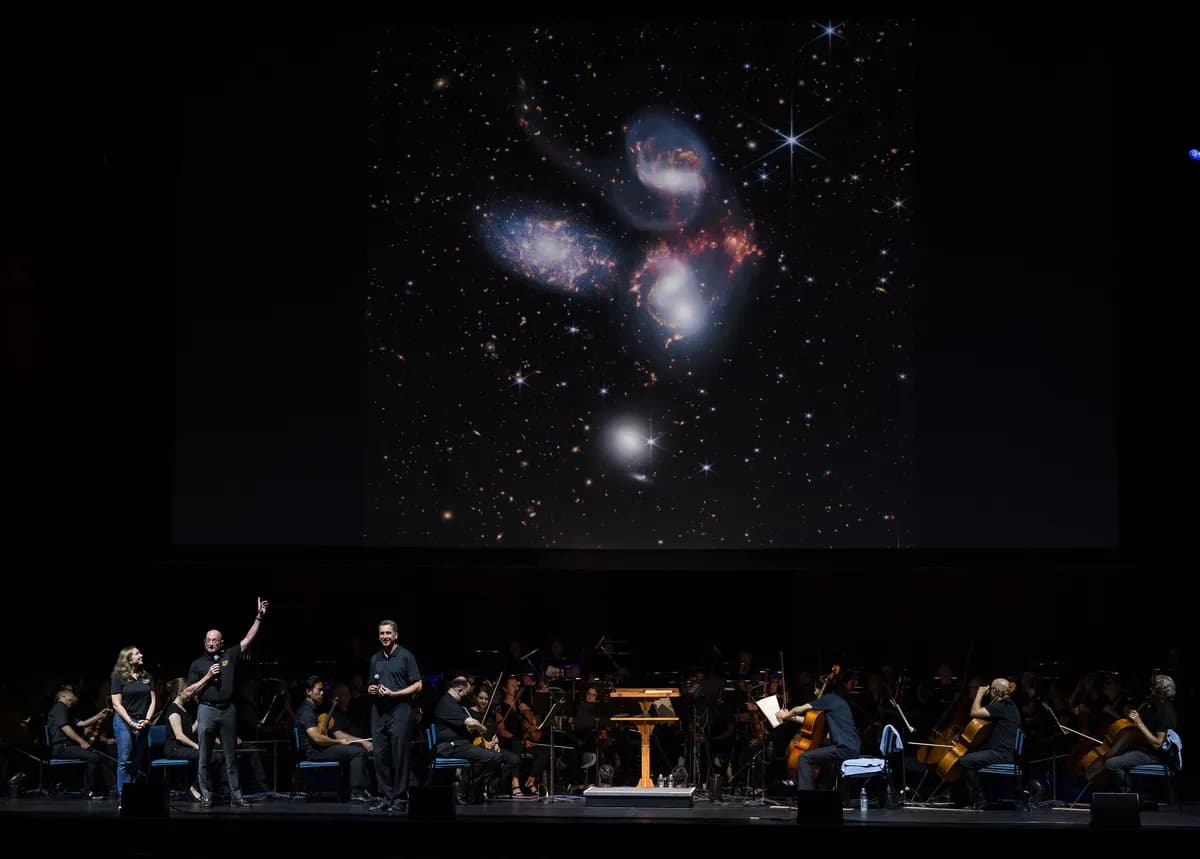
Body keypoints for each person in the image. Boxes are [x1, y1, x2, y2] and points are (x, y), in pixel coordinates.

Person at [184, 596, 269, 808]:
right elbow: (186, 692)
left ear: (221, 643)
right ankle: (206, 795)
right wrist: (207, 678)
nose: (212, 642)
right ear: (204, 642)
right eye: (208, 640)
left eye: (215, 640)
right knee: (204, 756)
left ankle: (236, 796)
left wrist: (259, 617)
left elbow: (248, 639)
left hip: (227, 711)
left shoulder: (229, 656)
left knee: (232, 757)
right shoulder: (197, 664)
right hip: (206, 710)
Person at [776, 670, 862, 796]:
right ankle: (823, 791)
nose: (815, 693)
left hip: (844, 748)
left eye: (815, 689)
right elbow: (812, 722)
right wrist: (790, 718)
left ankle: (807, 797)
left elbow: (800, 709)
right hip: (852, 747)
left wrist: (786, 714)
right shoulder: (837, 702)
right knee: (820, 751)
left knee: (804, 758)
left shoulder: (828, 699)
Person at [367, 619, 422, 813]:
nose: (385, 636)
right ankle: (385, 796)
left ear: (396, 635)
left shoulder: (406, 656)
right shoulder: (376, 659)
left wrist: (394, 693)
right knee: (380, 755)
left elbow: (418, 685)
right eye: (382, 633)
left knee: (399, 755)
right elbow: (369, 683)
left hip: (400, 709)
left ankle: (399, 799)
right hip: (379, 711)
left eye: (388, 633)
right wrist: (371, 689)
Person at [294, 676, 373, 802]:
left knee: (355, 749)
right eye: (319, 690)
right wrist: (339, 741)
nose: (322, 693)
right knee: (358, 752)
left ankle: (351, 789)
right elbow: (317, 738)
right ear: (308, 691)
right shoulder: (306, 711)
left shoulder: (312, 709)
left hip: (319, 749)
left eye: (323, 690)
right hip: (314, 752)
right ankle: (357, 792)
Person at [432, 676, 510, 804]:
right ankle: (462, 789)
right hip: (449, 746)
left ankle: (473, 789)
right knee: (487, 756)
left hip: (460, 744)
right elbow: (471, 722)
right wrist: (483, 728)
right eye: (465, 693)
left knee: (496, 757)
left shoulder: (453, 704)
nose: (465, 697)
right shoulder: (447, 703)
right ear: (459, 690)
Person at [1104, 673, 1179, 791]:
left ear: (1160, 690)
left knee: (1111, 764)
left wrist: (1139, 722)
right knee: (1114, 757)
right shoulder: (1155, 707)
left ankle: (1131, 792)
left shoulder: (1165, 712)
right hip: (1142, 748)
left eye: (1153, 687)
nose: (1150, 689)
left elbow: (1157, 744)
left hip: (1154, 755)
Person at [955, 677, 1021, 809]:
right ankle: (984, 797)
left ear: (995, 691)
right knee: (973, 756)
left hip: (1001, 754)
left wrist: (979, 694)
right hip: (1004, 752)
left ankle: (979, 800)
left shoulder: (1001, 706)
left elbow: (974, 712)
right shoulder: (1009, 705)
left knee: (964, 760)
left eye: (991, 689)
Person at [44, 687, 115, 798]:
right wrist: (82, 741)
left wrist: (99, 715)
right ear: (63, 696)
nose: (74, 695)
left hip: (67, 747)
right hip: (62, 747)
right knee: (94, 757)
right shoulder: (60, 707)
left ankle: (109, 788)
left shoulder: (66, 710)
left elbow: (82, 723)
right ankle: (91, 791)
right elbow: (65, 727)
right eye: (71, 694)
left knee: (99, 754)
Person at [109, 645, 156, 802]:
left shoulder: (147, 676)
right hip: (124, 721)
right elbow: (116, 704)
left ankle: (133, 794)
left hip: (143, 721)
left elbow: (153, 700)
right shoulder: (118, 678)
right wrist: (130, 722)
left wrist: (148, 720)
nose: (141, 655)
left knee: (136, 759)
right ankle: (124, 797)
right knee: (125, 758)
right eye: (137, 653)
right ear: (128, 658)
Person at [162, 677, 202, 800]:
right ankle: (193, 787)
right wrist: (197, 746)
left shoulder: (183, 710)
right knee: (206, 756)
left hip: (181, 748)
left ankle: (199, 786)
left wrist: (201, 717)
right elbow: (179, 736)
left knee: (214, 755)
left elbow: (189, 731)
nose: (190, 693)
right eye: (188, 690)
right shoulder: (173, 710)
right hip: (174, 749)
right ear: (180, 692)